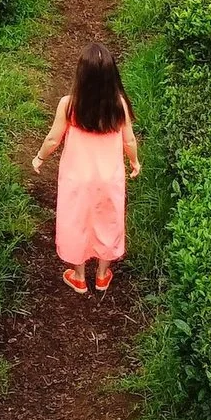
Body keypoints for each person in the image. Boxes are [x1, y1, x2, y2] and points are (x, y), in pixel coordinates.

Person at [30, 42, 141, 292]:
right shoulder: (118, 105)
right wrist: (134, 161)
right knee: (108, 219)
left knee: (76, 220)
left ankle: (78, 276)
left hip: (76, 179)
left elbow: (52, 139)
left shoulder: (69, 104)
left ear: (81, 75)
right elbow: (129, 140)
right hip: (109, 178)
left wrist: (39, 157)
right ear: (112, 75)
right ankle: (102, 274)